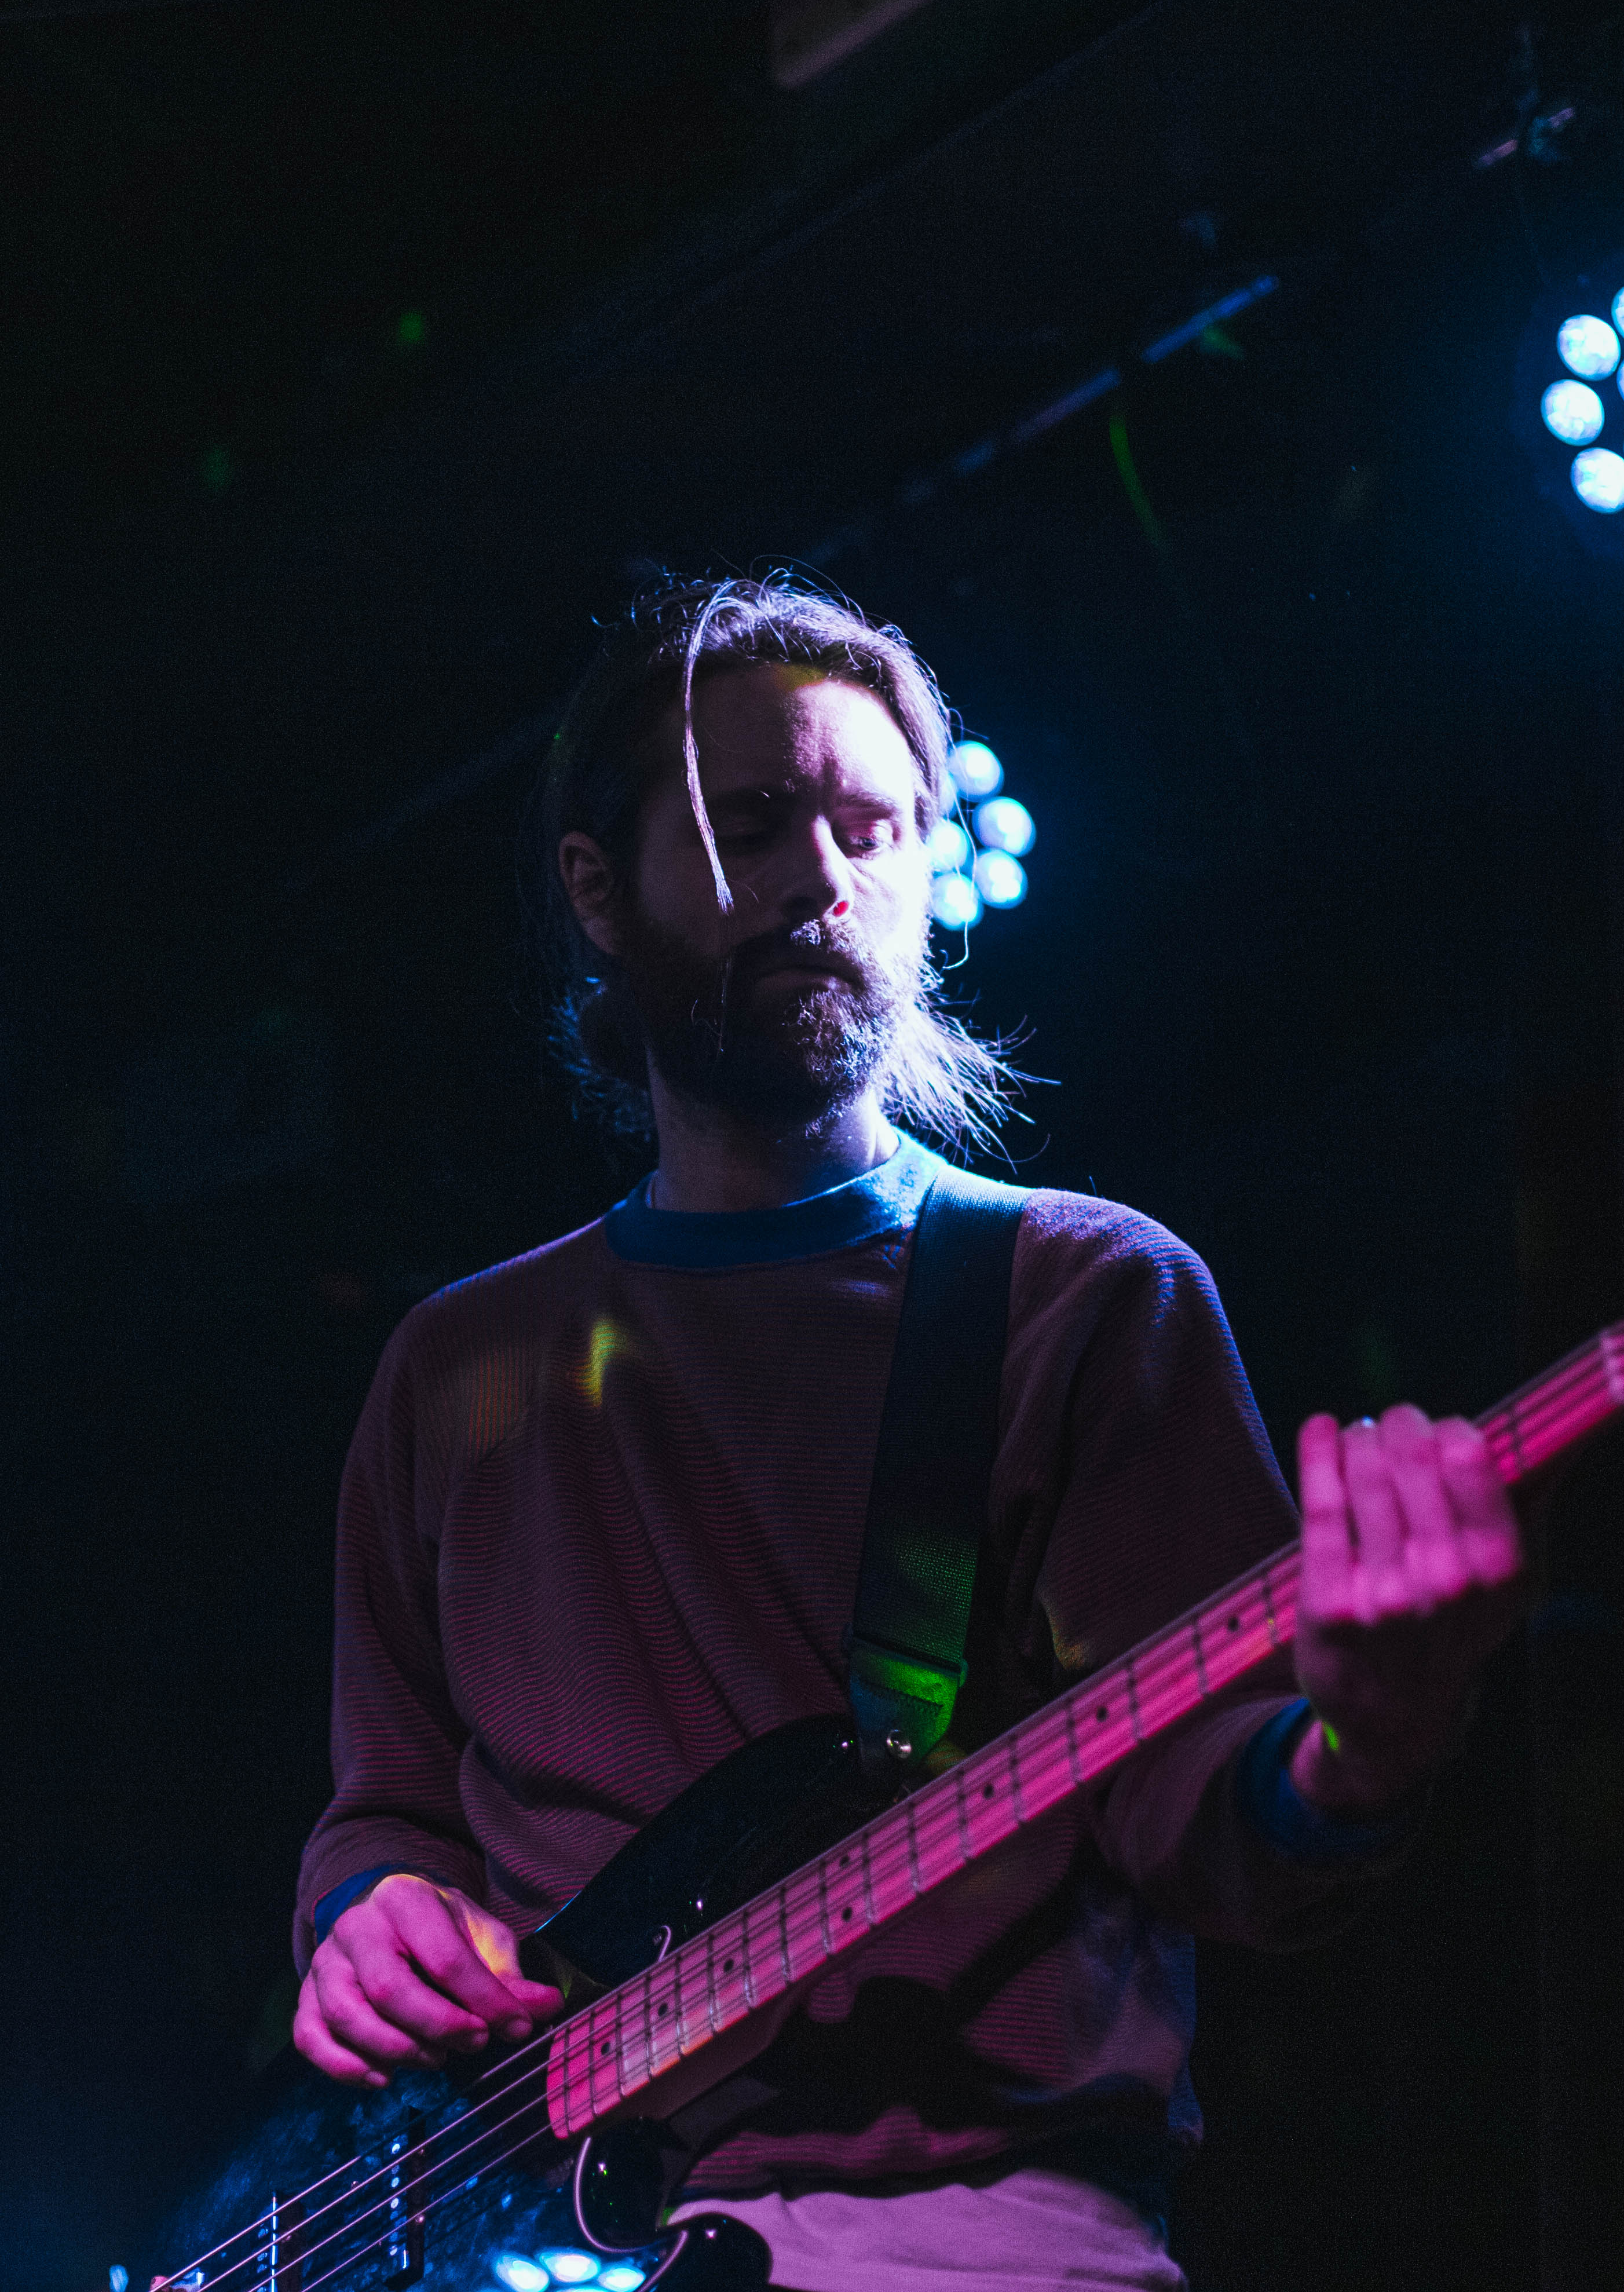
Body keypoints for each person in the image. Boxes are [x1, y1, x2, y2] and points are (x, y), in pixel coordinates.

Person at [289, 579, 1524, 2290]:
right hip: (534, 2237)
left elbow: (1199, 1798)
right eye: (754, 823)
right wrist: (367, 1917)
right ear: (597, 888)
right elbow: (390, 1809)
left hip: (966, 2229)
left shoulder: (1077, 1296)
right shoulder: (459, 1366)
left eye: (873, 830)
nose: (822, 877)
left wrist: (1362, 1750)